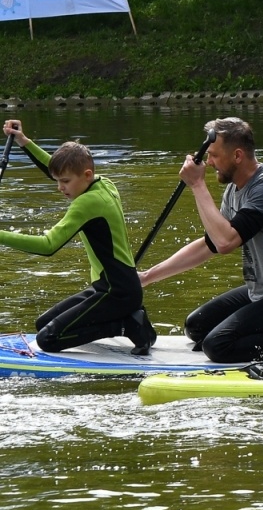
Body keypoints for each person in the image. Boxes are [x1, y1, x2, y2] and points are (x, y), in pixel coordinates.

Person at [140, 117, 263, 363]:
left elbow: (226, 243)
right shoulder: (233, 190)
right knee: (197, 327)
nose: (209, 162)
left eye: (213, 155)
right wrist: (147, 277)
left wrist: (197, 184)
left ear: (237, 156)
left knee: (218, 345)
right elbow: (210, 244)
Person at [0, 120, 156, 354]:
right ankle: (129, 318)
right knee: (43, 325)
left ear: (86, 175)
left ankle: (127, 325)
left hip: (118, 293)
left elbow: (48, 245)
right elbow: (60, 170)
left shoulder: (86, 204)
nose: (60, 188)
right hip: (110, 286)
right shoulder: (103, 184)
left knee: (48, 339)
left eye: (65, 182)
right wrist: (25, 142)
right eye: (57, 181)